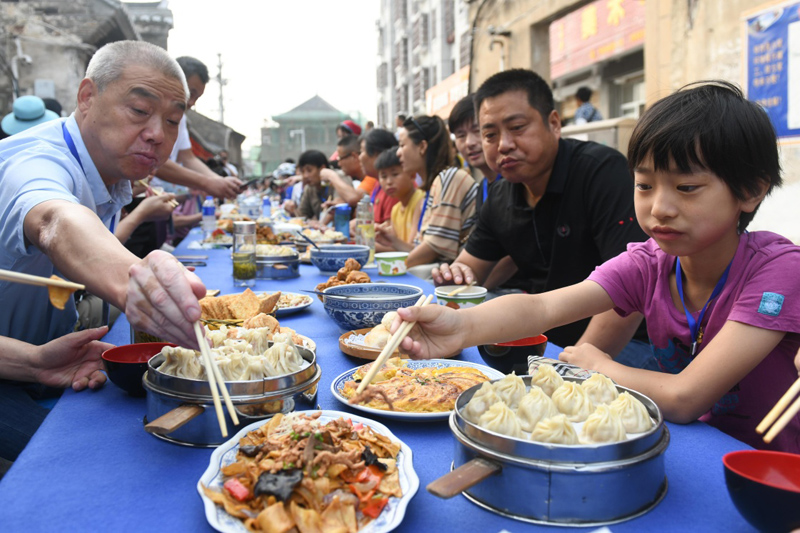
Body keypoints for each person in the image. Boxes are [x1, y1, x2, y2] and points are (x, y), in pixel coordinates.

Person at [396, 81, 800, 453]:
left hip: (768, 472)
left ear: (750, 190)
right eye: (644, 185)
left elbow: (684, 397)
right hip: (689, 446)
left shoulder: (777, 271)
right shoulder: (649, 263)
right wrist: (463, 327)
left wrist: (601, 367)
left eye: (686, 187)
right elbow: (542, 308)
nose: (659, 207)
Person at [0, 40, 206, 349]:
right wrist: (139, 282)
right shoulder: (37, 160)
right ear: (87, 97)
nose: (159, 135)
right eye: (139, 110)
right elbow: (53, 219)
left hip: (53, 357)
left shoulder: (111, 173)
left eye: (172, 121)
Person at [433, 69, 651, 361]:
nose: (504, 145)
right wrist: (454, 275)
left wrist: (567, 371)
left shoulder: (601, 173)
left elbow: (632, 287)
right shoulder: (500, 196)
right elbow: (467, 270)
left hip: (626, 343)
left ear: (554, 123)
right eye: (490, 134)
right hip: (543, 336)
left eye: (517, 127)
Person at [0, 327, 112, 469]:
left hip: (25, 351)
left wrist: (38, 362)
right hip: (24, 356)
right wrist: (35, 360)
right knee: (67, 448)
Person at [150, 56, 242, 199]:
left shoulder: (182, 118)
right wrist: (208, 183)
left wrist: (219, 181)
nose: (192, 103)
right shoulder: (150, 113)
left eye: (197, 97)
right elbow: (156, 161)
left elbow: (187, 158)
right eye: (190, 93)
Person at [398, 115, 478, 271]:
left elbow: (434, 247)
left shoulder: (449, 178)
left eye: (402, 145)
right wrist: (390, 241)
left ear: (422, 147)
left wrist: (394, 268)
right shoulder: (431, 190)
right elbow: (422, 247)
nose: (398, 153)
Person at [374, 148, 424, 252]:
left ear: (412, 175)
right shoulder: (395, 210)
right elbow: (396, 248)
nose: (388, 182)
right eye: (383, 176)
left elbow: (413, 249)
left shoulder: (420, 201)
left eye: (395, 174)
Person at [359, 128, 401, 224]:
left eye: (361, 151)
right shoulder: (378, 183)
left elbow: (388, 231)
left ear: (376, 155)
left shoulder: (393, 188)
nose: (359, 157)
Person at [296, 149, 331, 220]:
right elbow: (302, 216)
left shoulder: (336, 181)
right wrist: (293, 209)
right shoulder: (309, 188)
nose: (305, 176)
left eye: (309, 170)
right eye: (302, 171)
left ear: (322, 169)